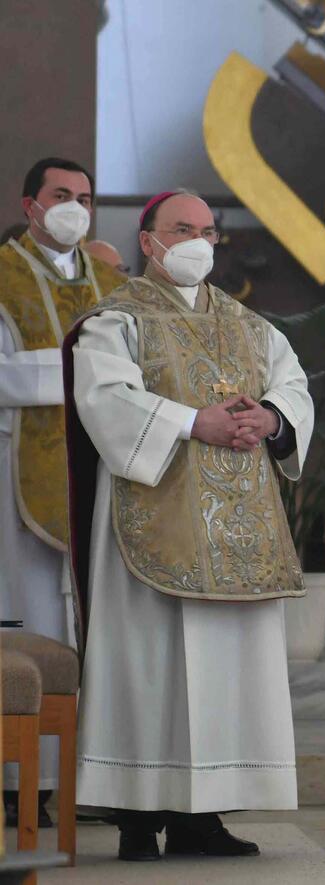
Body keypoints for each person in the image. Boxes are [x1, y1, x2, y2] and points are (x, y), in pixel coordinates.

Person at [63, 190, 313, 862]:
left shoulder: (248, 323)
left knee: (225, 671)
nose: (198, 241)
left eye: (207, 230)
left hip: (236, 531)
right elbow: (105, 397)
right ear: (148, 240)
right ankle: (139, 819)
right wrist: (189, 420)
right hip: (153, 520)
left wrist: (271, 417)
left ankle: (205, 816)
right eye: (183, 229)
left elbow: (292, 383)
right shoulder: (117, 319)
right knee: (149, 667)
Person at [0, 157, 124, 826]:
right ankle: (24, 782)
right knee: (27, 618)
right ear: (30, 205)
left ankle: (93, 777)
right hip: (18, 471)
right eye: (60, 195)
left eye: (83, 196)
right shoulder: (3, 275)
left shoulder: (109, 279)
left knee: (97, 626)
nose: (73, 206)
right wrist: (82, 373)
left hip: (101, 472)